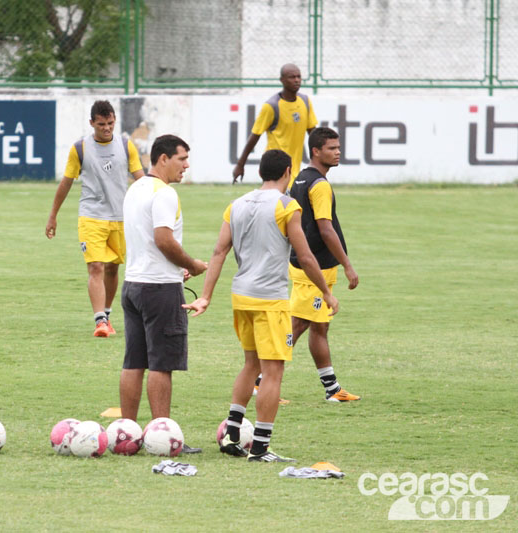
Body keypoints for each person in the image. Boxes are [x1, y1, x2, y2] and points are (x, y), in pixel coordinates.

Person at [184, 149, 338, 462]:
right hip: (270, 299)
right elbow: (305, 256)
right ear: (288, 171)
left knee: (250, 364)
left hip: (241, 296)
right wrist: (327, 292)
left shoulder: (236, 205)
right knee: (273, 371)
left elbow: (218, 252)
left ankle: (231, 433)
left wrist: (206, 296)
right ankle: (260, 448)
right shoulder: (286, 205)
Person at [120, 134, 207, 453]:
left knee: (133, 362)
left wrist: (175, 268)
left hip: (133, 284)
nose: (186, 165)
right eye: (182, 159)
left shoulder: (136, 188)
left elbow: (144, 240)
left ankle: (126, 433)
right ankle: (162, 436)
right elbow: (163, 240)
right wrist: (192, 264)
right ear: (162, 159)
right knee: (160, 363)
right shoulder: (164, 192)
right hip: (159, 289)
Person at [45, 100, 145, 337]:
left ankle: (107, 315)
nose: (106, 128)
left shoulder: (126, 146)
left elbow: (141, 179)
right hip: (91, 216)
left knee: (112, 268)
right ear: (92, 123)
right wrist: (53, 216)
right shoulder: (79, 149)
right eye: (101, 124)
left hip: (121, 217)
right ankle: (100, 321)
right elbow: (66, 183)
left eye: (110, 123)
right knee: (96, 266)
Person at [288, 127, 360, 401]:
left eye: (338, 147)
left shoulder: (301, 180)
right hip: (314, 266)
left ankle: (332, 390)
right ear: (316, 151)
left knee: (319, 326)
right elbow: (325, 229)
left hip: (310, 264)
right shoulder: (319, 185)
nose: (338, 152)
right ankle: (260, 380)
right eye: (331, 148)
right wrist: (348, 265)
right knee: (298, 325)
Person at [232, 64, 317, 188]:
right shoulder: (271, 106)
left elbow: (313, 134)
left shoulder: (305, 101)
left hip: (294, 170)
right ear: (282, 80)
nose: (297, 80)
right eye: (292, 77)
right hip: (275, 169)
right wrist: (240, 164)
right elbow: (255, 136)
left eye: (299, 76)